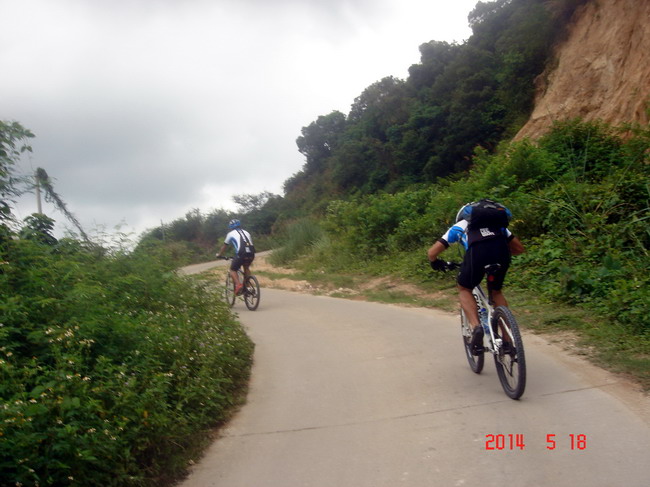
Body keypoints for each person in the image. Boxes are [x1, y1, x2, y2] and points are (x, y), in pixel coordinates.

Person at [427, 199, 525, 352]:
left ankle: (476, 327)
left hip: (477, 255)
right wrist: (496, 254)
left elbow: (432, 252)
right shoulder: (498, 225)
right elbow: (519, 249)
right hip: (501, 254)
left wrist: (435, 262)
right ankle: (507, 339)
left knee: (464, 288)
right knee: (496, 291)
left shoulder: (461, 225)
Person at [216, 219, 255, 295]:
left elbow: (224, 246)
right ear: (240, 225)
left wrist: (219, 255)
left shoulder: (230, 234)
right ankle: (248, 287)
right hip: (251, 253)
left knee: (232, 270)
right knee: (246, 267)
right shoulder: (247, 232)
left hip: (241, 253)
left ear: (230, 227)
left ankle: (238, 285)